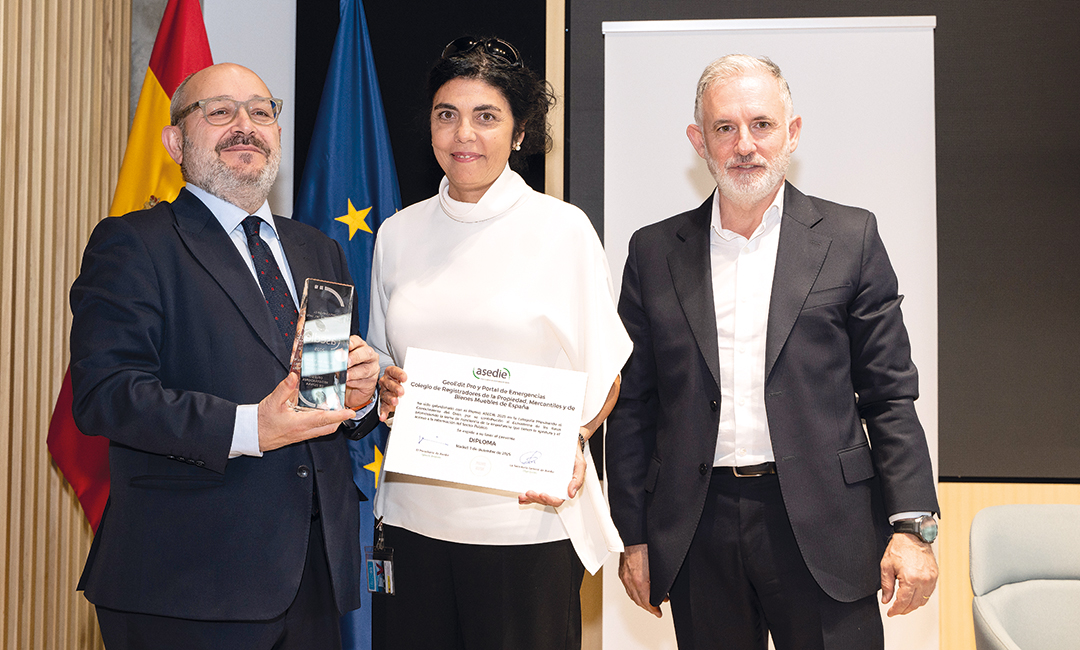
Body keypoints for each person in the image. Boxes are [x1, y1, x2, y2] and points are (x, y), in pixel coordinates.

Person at [606, 54, 940, 649]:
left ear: (792, 133)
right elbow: (633, 406)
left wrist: (913, 527)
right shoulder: (653, 252)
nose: (744, 145)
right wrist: (632, 534)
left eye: (761, 124)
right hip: (696, 528)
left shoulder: (850, 238)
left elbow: (889, 394)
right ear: (699, 142)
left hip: (827, 524)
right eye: (725, 128)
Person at [69, 62, 381, 649]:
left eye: (261, 112)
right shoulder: (133, 243)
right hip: (187, 584)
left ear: (278, 134)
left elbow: (318, 393)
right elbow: (104, 394)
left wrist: (357, 399)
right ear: (175, 142)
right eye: (219, 112)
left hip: (314, 579)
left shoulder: (318, 249)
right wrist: (250, 427)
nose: (246, 125)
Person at [369, 36, 632, 650]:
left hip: (525, 525)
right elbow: (384, 359)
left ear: (519, 133)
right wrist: (382, 385)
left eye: (486, 116)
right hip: (411, 520)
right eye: (447, 114)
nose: (464, 134)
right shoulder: (397, 233)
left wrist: (574, 438)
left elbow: (607, 374)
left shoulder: (562, 230)